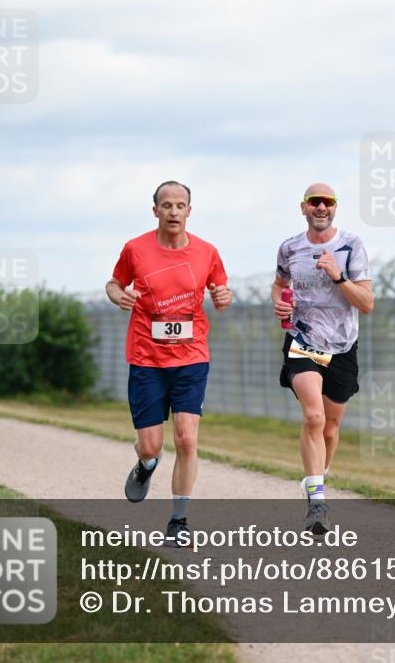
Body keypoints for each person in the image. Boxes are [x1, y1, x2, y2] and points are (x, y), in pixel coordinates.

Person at [107, 180, 232, 545]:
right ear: (156, 210)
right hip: (146, 357)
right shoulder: (136, 249)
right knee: (151, 445)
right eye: (167, 205)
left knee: (187, 439)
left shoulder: (207, 252)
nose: (174, 211)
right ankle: (146, 465)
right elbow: (113, 283)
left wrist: (224, 295)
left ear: (189, 211)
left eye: (180, 205)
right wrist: (119, 296)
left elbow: (221, 295)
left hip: (191, 356)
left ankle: (178, 522)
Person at [272, 182, 373, 535]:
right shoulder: (289, 248)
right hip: (303, 340)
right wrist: (280, 302)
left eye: (327, 202)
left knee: (330, 428)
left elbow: (366, 303)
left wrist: (338, 277)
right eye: (314, 202)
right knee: (313, 417)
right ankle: (317, 500)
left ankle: (316, 477)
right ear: (303, 208)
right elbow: (278, 283)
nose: (320, 207)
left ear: (334, 208)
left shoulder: (350, 246)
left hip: (343, 346)